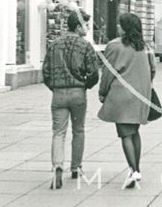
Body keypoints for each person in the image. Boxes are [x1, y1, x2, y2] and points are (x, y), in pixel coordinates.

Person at [98, 13, 156, 189]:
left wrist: (102, 92)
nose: (117, 27)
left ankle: (134, 170)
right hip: (140, 94)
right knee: (134, 131)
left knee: (125, 133)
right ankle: (136, 169)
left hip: (121, 95)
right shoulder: (145, 47)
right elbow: (153, 70)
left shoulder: (115, 46)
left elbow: (108, 72)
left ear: (125, 27)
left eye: (119, 24)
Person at [42, 10, 99, 189]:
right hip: (77, 93)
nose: (87, 28)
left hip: (58, 93)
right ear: (77, 26)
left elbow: (45, 71)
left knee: (58, 132)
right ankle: (76, 167)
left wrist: (54, 86)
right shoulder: (85, 46)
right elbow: (93, 73)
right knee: (78, 130)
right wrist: (85, 85)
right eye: (86, 25)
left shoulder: (54, 44)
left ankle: (57, 166)